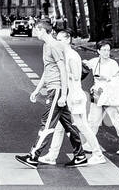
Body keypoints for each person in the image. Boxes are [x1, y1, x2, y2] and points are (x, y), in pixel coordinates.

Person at [16, 25, 89, 167]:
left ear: (42, 30)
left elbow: (63, 70)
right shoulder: (46, 46)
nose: (34, 31)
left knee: (47, 124)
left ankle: (32, 156)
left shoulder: (55, 46)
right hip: (52, 89)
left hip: (56, 90)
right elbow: (47, 70)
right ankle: (80, 156)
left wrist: (62, 94)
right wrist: (37, 90)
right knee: (68, 125)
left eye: (36, 29)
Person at [45, 31, 105, 163]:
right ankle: (52, 155)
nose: (58, 42)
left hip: (75, 95)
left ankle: (98, 154)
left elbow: (77, 76)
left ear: (68, 40)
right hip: (67, 96)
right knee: (60, 127)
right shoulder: (64, 54)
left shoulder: (72, 55)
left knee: (82, 126)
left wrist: (63, 73)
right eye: (57, 39)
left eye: (60, 40)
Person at [85, 42, 119, 154]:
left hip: (109, 93)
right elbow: (84, 65)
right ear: (98, 51)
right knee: (93, 119)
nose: (107, 52)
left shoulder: (113, 63)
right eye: (104, 50)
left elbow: (118, 79)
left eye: (108, 50)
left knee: (115, 118)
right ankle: (89, 144)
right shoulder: (94, 61)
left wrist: (106, 78)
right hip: (97, 92)